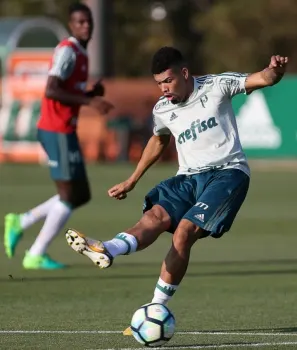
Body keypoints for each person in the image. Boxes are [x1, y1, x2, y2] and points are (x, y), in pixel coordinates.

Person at [65, 47, 288, 333]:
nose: (164, 89)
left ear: (184, 73)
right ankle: (108, 249)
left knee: (183, 232)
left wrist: (275, 71)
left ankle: (158, 306)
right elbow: (158, 140)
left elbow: (263, 79)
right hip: (187, 178)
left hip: (227, 174)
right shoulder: (163, 108)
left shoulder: (216, 86)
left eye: (168, 81)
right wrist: (132, 179)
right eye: (158, 83)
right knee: (154, 217)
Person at [4, 2, 113, 270]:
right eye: (80, 22)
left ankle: (22, 222)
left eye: (88, 21)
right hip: (55, 130)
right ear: (71, 25)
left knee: (80, 194)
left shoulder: (81, 54)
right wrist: (89, 103)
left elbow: (67, 93)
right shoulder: (67, 51)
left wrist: (89, 95)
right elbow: (51, 90)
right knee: (68, 195)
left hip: (65, 129)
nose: (86, 26)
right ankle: (35, 253)